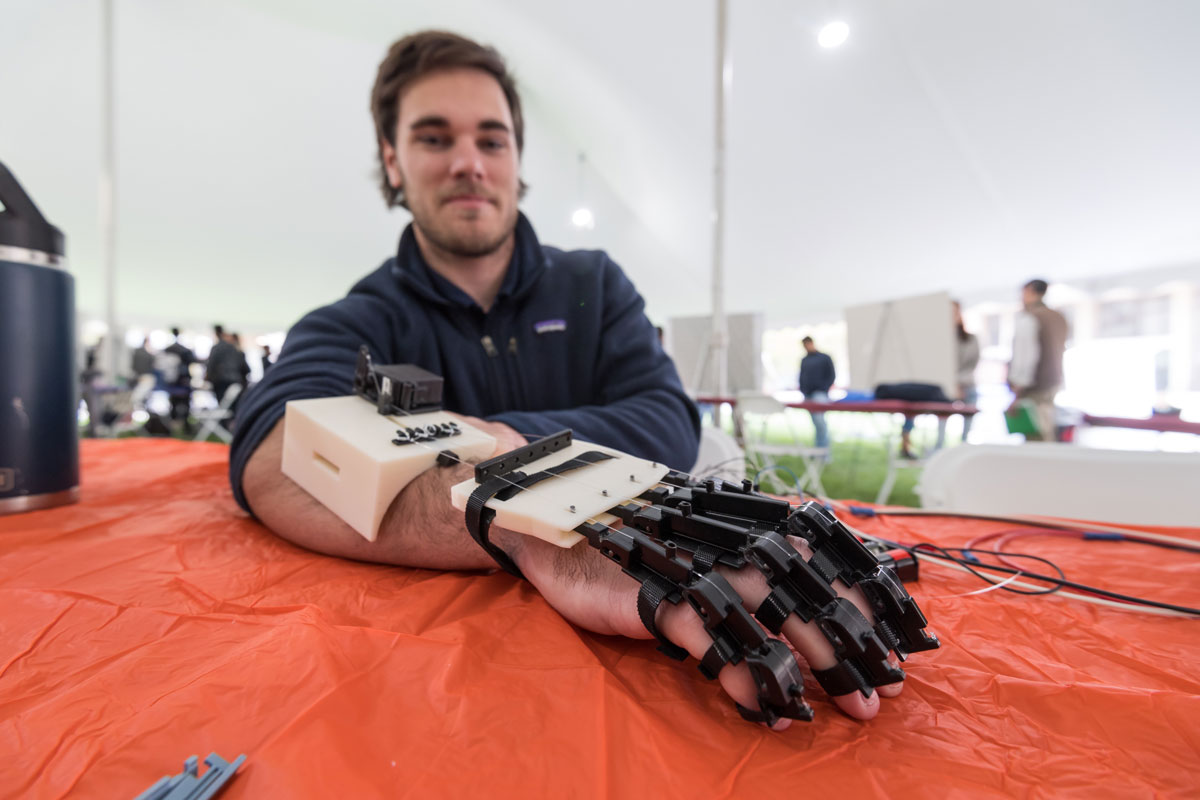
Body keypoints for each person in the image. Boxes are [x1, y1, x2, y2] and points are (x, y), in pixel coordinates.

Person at [230, 30, 901, 725]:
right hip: (448, 692)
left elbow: (666, 417)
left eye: (492, 140)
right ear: (391, 161)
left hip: (640, 677)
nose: (468, 162)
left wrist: (508, 445)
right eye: (434, 139)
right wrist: (527, 520)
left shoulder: (595, 283)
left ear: (516, 160)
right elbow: (274, 451)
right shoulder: (360, 318)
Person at [1008, 279, 1068, 441]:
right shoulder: (1058, 317)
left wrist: (1018, 387)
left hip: (1034, 385)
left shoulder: (1030, 318)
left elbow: (1026, 356)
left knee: (1036, 435)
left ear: (1030, 292)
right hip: (1053, 382)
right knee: (1047, 427)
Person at [798, 336, 834, 449]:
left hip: (820, 393)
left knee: (820, 422)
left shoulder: (824, 358)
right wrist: (803, 390)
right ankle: (818, 449)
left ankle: (823, 451)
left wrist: (824, 388)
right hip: (807, 394)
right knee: (815, 423)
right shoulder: (804, 360)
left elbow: (831, 375)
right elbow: (802, 376)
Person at [953, 301, 980, 442]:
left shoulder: (970, 339)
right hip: (948, 385)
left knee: (971, 408)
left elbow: (973, 363)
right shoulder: (939, 340)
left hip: (967, 383)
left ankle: (965, 441)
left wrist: (959, 382)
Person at [162, 327, 197, 432]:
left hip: (173, 383)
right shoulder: (185, 350)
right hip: (183, 382)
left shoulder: (168, 349)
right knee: (186, 403)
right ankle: (185, 425)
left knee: (173, 403)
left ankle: (173, 424)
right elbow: (192, 361)